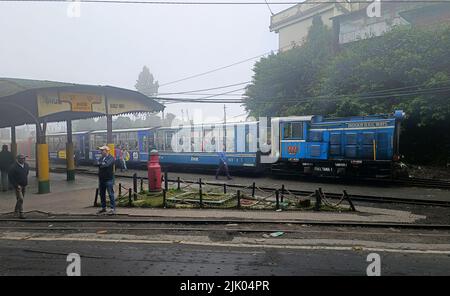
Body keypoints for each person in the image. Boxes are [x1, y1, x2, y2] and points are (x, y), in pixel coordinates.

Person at [95, 146, 116, 215]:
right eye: (100, 150)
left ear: (107, 151)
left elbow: (107, 165)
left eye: (102, 150)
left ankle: (113, 209)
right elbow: (95, 163)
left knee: (110, 194)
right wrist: (101, 163)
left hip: (109, 179)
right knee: (102, 194)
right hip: (101, 179)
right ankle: (103, 208)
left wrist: (100, 164)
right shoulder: (101, 158)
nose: (100, 151)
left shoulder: (111, 158)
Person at [8, 154, 29, 219]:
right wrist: (16, 185)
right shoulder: (13, 167)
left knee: (20, 200)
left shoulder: (26, 165)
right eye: (22, 158)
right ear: (18, 159)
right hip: (18, 186)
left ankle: (16, 211)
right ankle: (21, 213)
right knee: (21, 199)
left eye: (24, 158)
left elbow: (26, 173)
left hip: (24, 184)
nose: (23, 159)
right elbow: (11, 177)